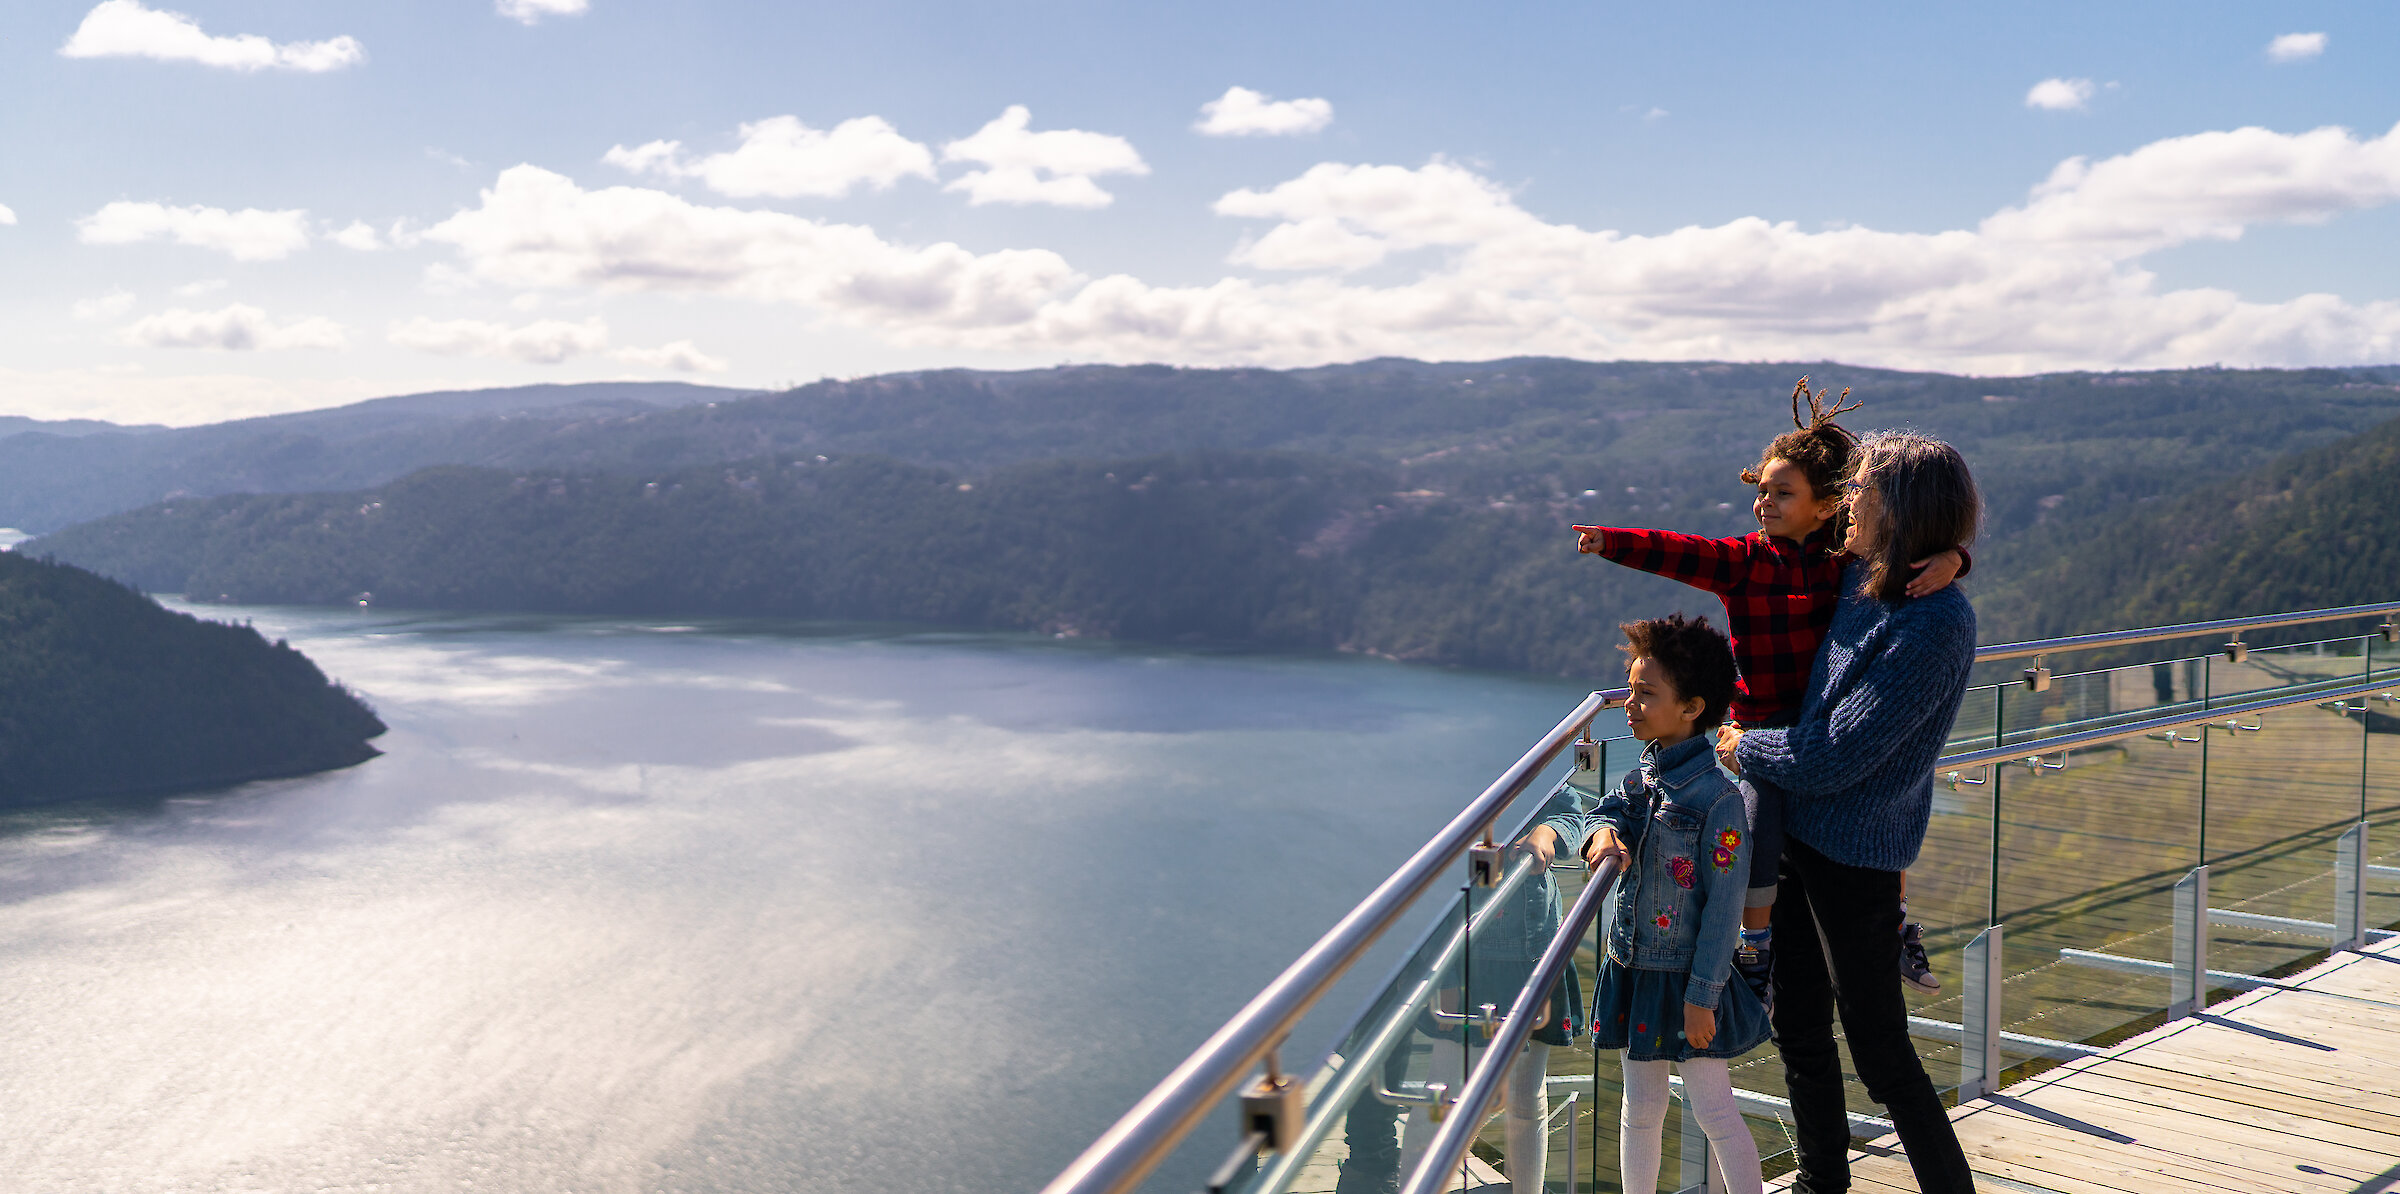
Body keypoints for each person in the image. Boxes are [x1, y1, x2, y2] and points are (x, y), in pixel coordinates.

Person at [1573, 378, 1960, 1001]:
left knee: (1883, 808)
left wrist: (1954, 559)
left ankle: (1892, 930)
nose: (1765, 503)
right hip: (1754, 730)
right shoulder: (1745, 562)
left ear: (1827, 505)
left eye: (1783, 493)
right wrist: (1611, 542)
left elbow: (1911, 550)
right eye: (1761, 492)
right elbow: (1680, 552)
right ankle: (1755, 948)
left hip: (1817, 726)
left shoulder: (1847, 561)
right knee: (1757, 834)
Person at [1718, 431, 1984, 1194]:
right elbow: (1796, 514)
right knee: (1800, 1029)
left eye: (1863, 488)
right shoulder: (1864, 580)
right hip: (1800, 836)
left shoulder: (1934, 624)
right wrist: (1959, 552)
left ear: (1899, 508)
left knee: (1880, 1051)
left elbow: (1834, 755)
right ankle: (1818, 1187)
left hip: (1858, 855)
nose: (1850, 500)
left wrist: (1740, 746)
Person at [1519, 613, 1768, 1194]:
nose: (1628, 705)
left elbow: (1724, 911)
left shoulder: (1720, 802)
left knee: (1714, 1112)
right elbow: (1610, 808)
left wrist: (1703, 998)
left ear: (1692, 708)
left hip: (1689, 979)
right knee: (1638, 1110)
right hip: (1635, 968)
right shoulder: (1646, 774)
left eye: (1644, 694)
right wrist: (1600, 833)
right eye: (1629, 691)